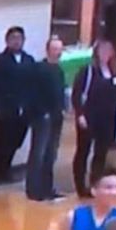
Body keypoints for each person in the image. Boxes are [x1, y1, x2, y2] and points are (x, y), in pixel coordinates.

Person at [71, 41, 116, 198]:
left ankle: (96, 184)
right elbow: (77, 93)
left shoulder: (115, 72)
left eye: (109, 50)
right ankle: (80, 186)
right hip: (89, 116)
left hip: (106, 119)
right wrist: (80, 114)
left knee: (101, 153)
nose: (106, 53)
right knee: (83, 151)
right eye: (103, 50)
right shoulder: (87, 71)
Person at [0, 26, 36, 185]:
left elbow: (33, 83)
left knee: (15, 141)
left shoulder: (29, 60)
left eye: (19, 38)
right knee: (0, 141)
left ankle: (6, 170)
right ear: (7, 41)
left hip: (24, 109)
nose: (16, 41)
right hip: (5, 107)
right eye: (13, 38)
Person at [25, 36, 67, 202]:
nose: (58, 52)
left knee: (51, 153)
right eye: (55, 49)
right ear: (48, 50)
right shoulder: (39, 68)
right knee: (39, 153)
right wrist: (42, 111)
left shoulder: (59, 69)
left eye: (60, 49)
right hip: (43, 116)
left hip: (57, 115)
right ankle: (33, 190)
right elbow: (33, 93)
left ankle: (47, 188)